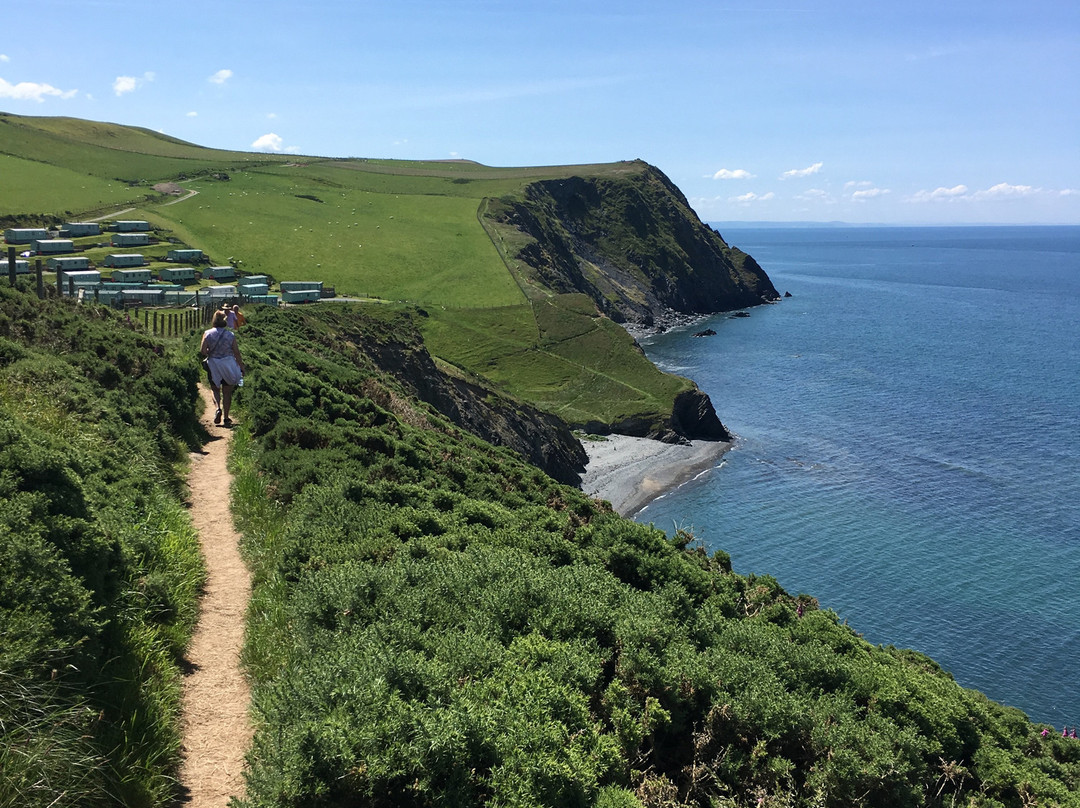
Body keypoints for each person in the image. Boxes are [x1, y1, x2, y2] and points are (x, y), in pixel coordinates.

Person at [200, 310, 245, 426]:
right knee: (227, 392)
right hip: (228, 364)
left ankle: (217, 408)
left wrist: (211, 351)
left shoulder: (207, 333)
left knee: (215, 389)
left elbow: (203, 351)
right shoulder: (230, 335)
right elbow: (237, 353)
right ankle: (226, 418)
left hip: (213, 364)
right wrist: (241, 367)